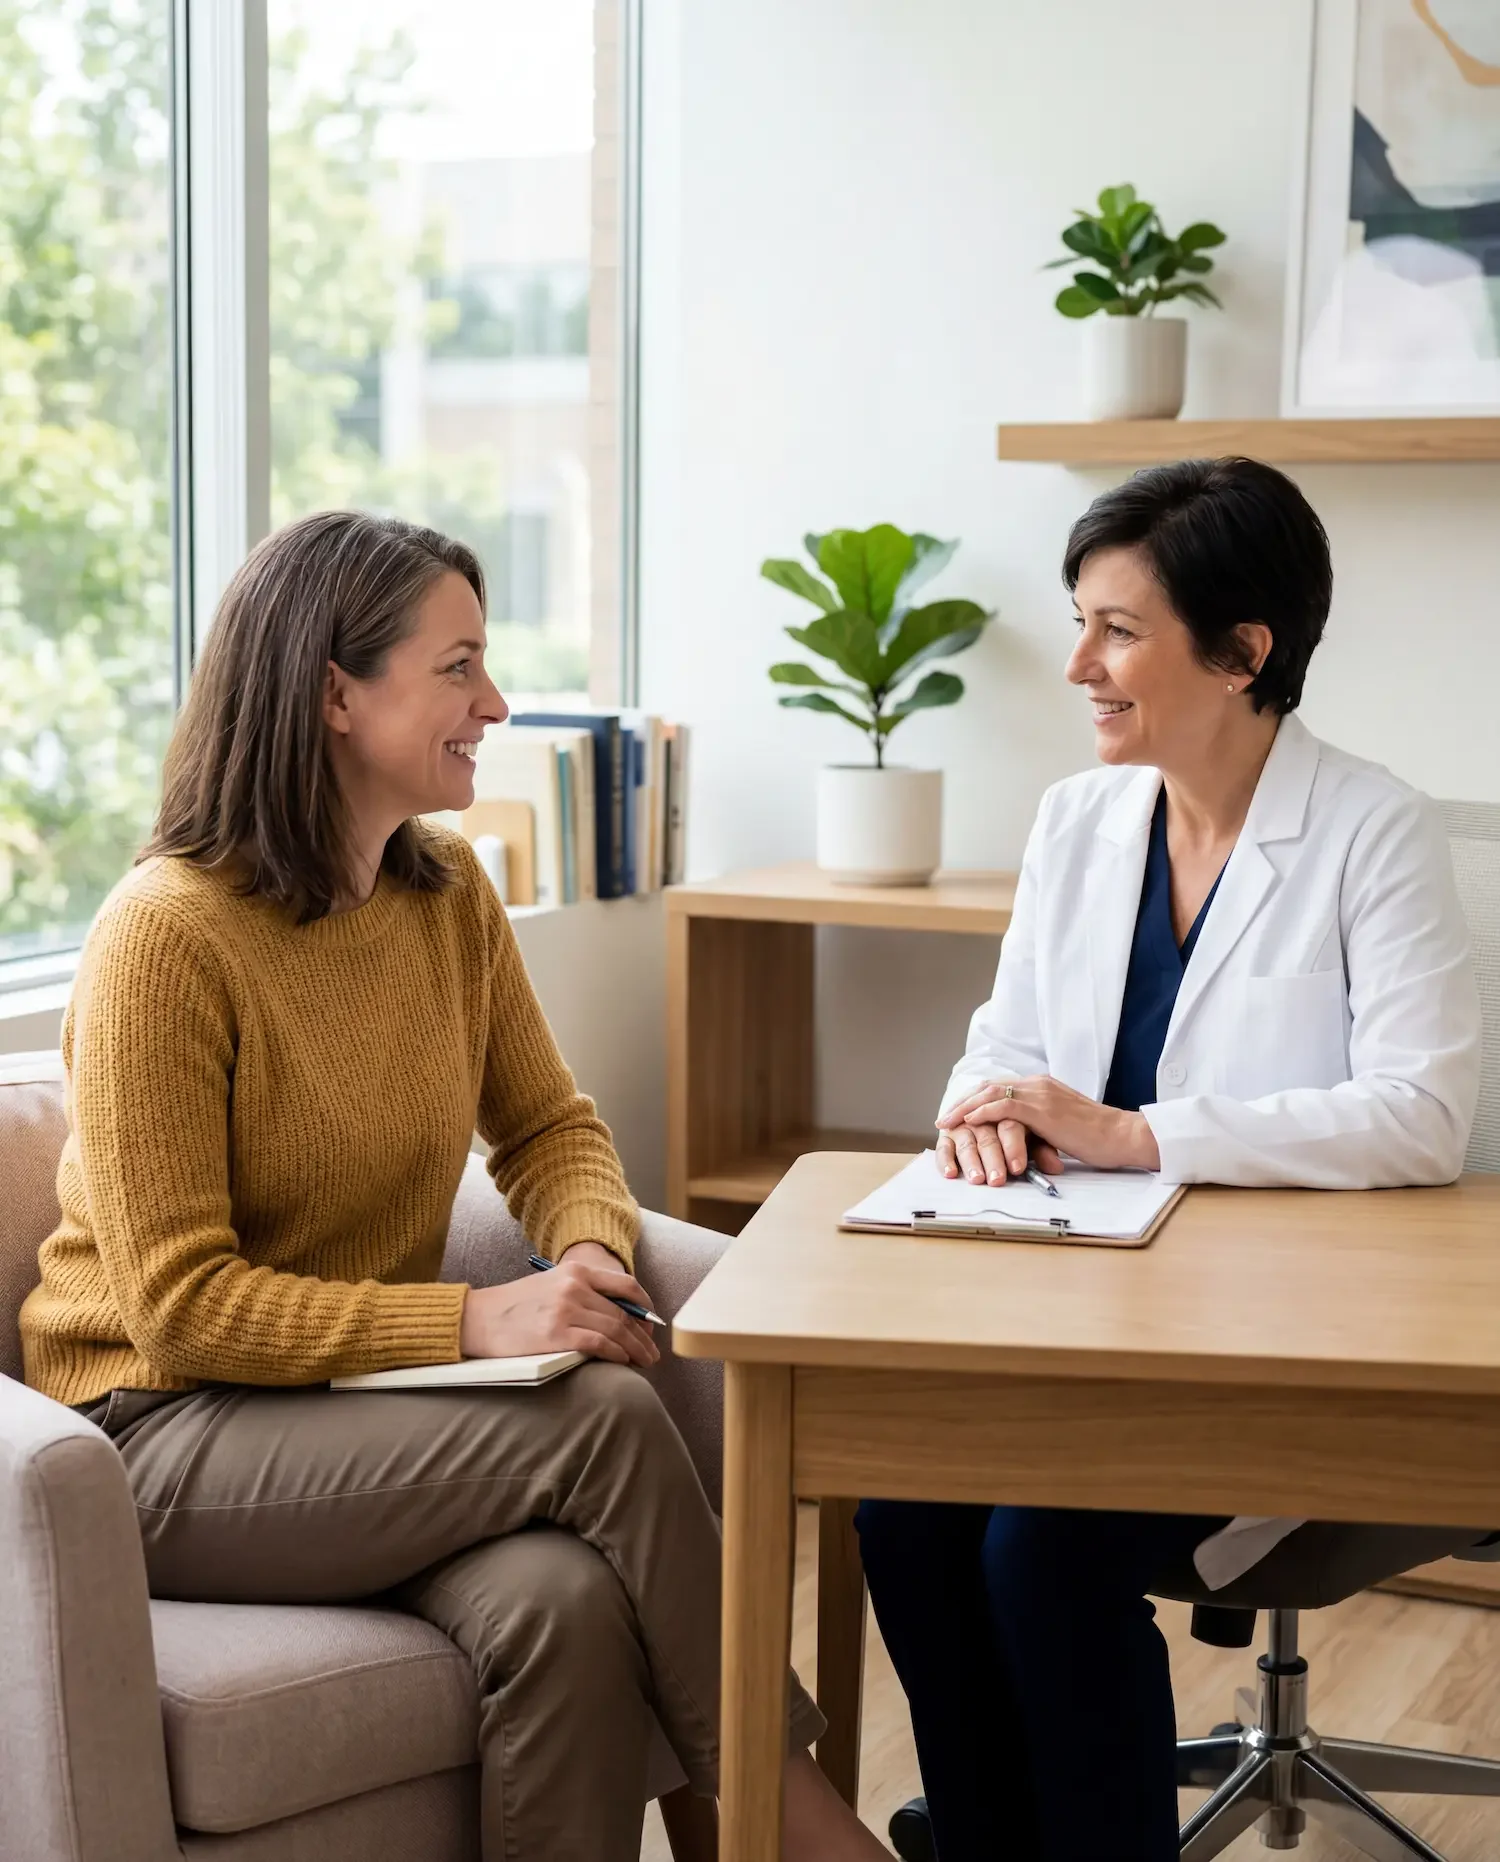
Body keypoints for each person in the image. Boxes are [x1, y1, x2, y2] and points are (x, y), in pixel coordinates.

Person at [20, 511, 890, 1862]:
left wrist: (590, 1250)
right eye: (460, 666)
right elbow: (183, 1306)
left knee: (561, 1602)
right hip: (158, 1430)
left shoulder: (443, 894)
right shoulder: (165, 936)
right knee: (603, 1413)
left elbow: (548, 1125)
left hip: (350, 1416)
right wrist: (480, 1324)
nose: (496, 703)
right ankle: (785, 1814)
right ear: (333, 693)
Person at [855, 457, 1481, 1862]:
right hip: (1073, 1316)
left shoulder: (1374, 832)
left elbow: (1423, 1113)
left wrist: (1138, 1134)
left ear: (1244, 652)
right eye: (1081, 619)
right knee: (902, 1514)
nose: (1078, 662)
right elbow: (1000, 1041)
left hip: (1287, 1345)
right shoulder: (1080, 819)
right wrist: (989, 1109)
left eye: (1118, 629)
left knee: (1040, 1552)